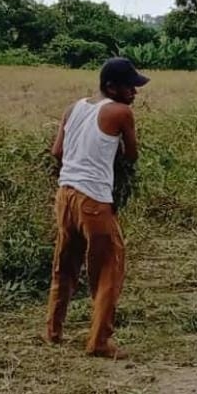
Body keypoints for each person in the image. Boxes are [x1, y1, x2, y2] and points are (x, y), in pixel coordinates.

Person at [43, 57, 148, 360]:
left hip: (65, 195)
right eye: (130, 86)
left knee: (65, 265)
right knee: (109, 267)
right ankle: (99, 341)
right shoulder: (120, 112)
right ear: (111, 87)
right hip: (94, 200)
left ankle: (53, 330)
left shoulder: (73, 108)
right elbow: (131, 155)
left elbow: (57, 151)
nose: (134, 92)